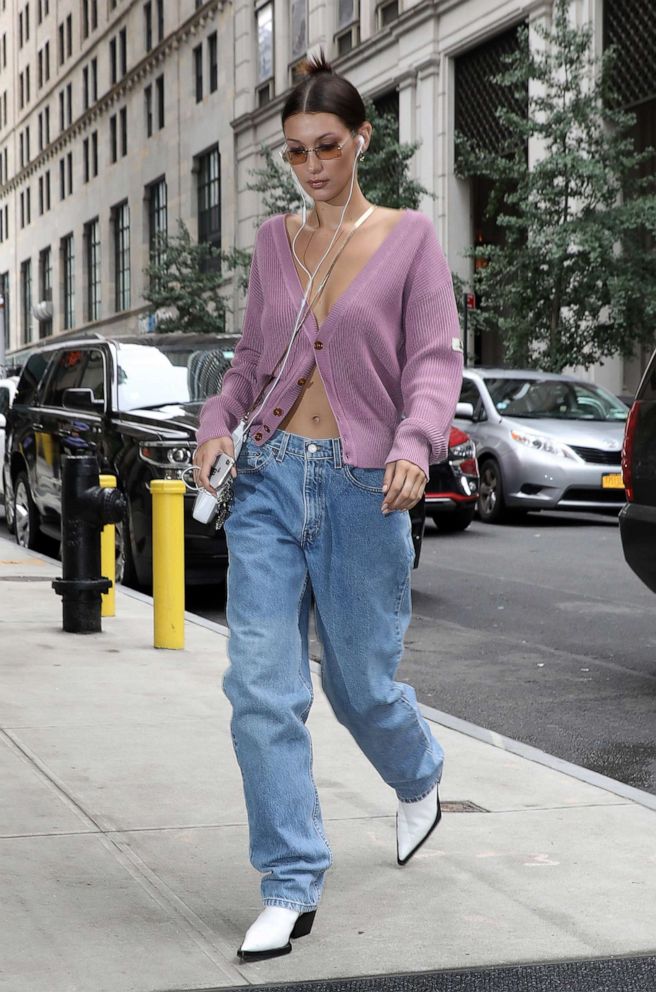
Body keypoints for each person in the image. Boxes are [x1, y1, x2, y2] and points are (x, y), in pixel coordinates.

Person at [194, 50, 463, 962]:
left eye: (327, 147)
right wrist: (217, 424)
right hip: (268, 478)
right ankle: (291, 881)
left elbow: (433, 360)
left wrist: (414, 443)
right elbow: (248, 366)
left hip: (362, 486)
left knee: (360, 688)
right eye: (297, 152)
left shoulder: (411, 238)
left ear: (362, 141)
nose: (311, 167)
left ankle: (419, 772)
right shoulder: (275, 243)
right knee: (259, 687)